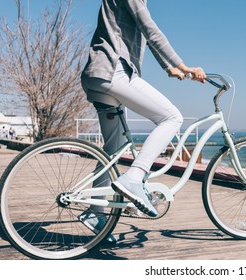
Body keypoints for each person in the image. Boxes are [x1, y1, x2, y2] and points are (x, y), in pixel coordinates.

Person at [80, 0, 206, 242]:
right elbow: (150, 29)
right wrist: (184, 66)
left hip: (96, 75)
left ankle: (95, 213)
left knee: (112, 151)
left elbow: (141, 34)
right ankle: (134, 177)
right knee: (171, 117)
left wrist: (169, 68)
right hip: (113, 72)